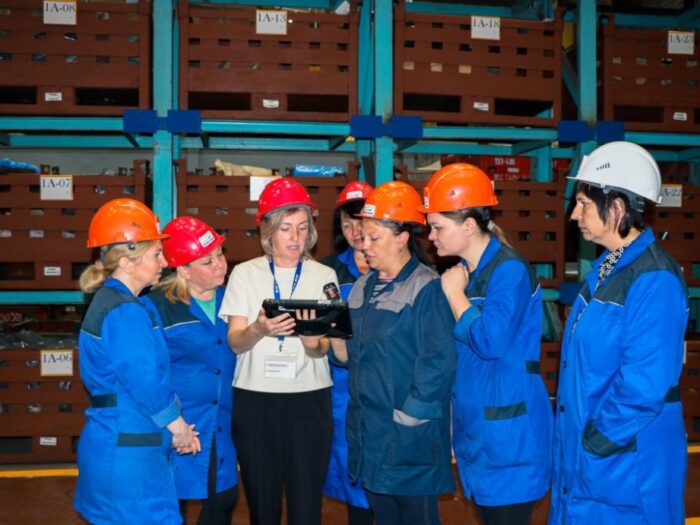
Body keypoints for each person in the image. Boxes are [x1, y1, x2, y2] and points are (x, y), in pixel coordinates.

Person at [548, 141, 688, 524]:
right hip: (596, 462)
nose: (574, 214)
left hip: (624, 465)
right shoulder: (607, 271)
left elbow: (644, 386)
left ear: (617, 207)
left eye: (583, 204)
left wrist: (595, 444)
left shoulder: (653, 279)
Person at [419, 163, 553, 525]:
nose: (431, 236)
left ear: (468, 225)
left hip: (509, 440)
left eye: (437, 227)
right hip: (479, 434)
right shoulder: (469, 273)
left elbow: (491, 341)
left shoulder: (508, 270)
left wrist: (454, 295)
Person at [219, 177, 339, 525]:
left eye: (302, 227)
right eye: (286, 228)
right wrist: (259, 329)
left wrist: (312, 343)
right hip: (256, 400)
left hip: (309, 400)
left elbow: (326, 347)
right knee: (262, 502)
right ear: (268, 230)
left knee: (306, 504)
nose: (295, 237)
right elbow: (234, 341)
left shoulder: (325, 275)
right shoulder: (244, 274)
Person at [74, 198, 200, 524]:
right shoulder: (124, 311)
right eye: (156, 254)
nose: (164, 262)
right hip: (130, 456)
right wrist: (178, 427)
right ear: (127, 262)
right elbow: (145, 379)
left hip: (122, 444)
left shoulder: (116, 302)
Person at [342, 180, 456, 525]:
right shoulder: (363, 286)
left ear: (402, 238)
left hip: (409, 436)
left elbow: (439, 363)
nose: (364, 246)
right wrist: (323, 335)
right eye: (363, 237)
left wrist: (408, 419)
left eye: (374, 238)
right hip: (370, 432)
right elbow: (351, 354)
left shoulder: (426, 287)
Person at [142, 216, 239, 525]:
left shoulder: (236, 299)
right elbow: (148, 371)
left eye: (220, 254)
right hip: (178, 423)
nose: (220, 265)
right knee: (172, 505)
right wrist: (172, 422)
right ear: (183, 269)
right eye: (207, 261)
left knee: (222, 499)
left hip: (223, 421)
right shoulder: (156, 307)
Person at [320, 181, 374, 525]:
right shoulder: (328, 271)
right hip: (342, 390)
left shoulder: (397, 265)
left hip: (387, 387)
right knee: (352, 474)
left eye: (362, 222)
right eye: (347, 223)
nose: (355, 231)